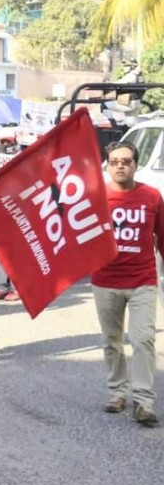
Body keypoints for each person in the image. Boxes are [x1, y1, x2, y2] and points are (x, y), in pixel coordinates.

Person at [91, 141, 163, 427]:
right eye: (115, 160)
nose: (121, 165)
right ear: (107, 165)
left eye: (127, 160)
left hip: (142, 281)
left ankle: (143, 401)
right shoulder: (95, 198)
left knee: (143, 338)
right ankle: (117, 392)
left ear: (136, 164)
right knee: (112, 341)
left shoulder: (152, 197)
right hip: (105, 281)